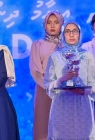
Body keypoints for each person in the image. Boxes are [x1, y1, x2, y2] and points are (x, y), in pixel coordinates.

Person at [44, 21, 95, 139]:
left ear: (79, 34)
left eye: (74, 31)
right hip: (61, 105)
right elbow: (48, 84)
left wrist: (84, 91)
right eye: (67, 32)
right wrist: (62, 79)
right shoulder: (55, 57)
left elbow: (93, 83)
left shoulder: (87, 56)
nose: (71, 35)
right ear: (63, 35)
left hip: (82, 105)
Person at [29, 11, 64, 140]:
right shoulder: (38, 44)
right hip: (43, 89)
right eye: (49, 23)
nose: (52, 26)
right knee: (42, 126)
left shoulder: (67, 45)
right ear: (45, 25)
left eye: (56, 22)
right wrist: (49, 85)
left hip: (64, 91)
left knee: (63, 125)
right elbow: (35, 69)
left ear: (61, 24)